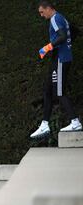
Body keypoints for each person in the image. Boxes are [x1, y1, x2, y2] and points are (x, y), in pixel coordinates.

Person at [30, 0, 82, 138]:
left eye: (42, 12)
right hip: (59, 58)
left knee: (59, 92)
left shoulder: (54, 18)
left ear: (48, 9)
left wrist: (46, 48)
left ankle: (75, 121)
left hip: (61, 60)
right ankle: (45, 124)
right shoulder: (61, 18)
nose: (41, 15)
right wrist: (67, 47)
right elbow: (74, 31)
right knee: (47, 90)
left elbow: (63, 36)